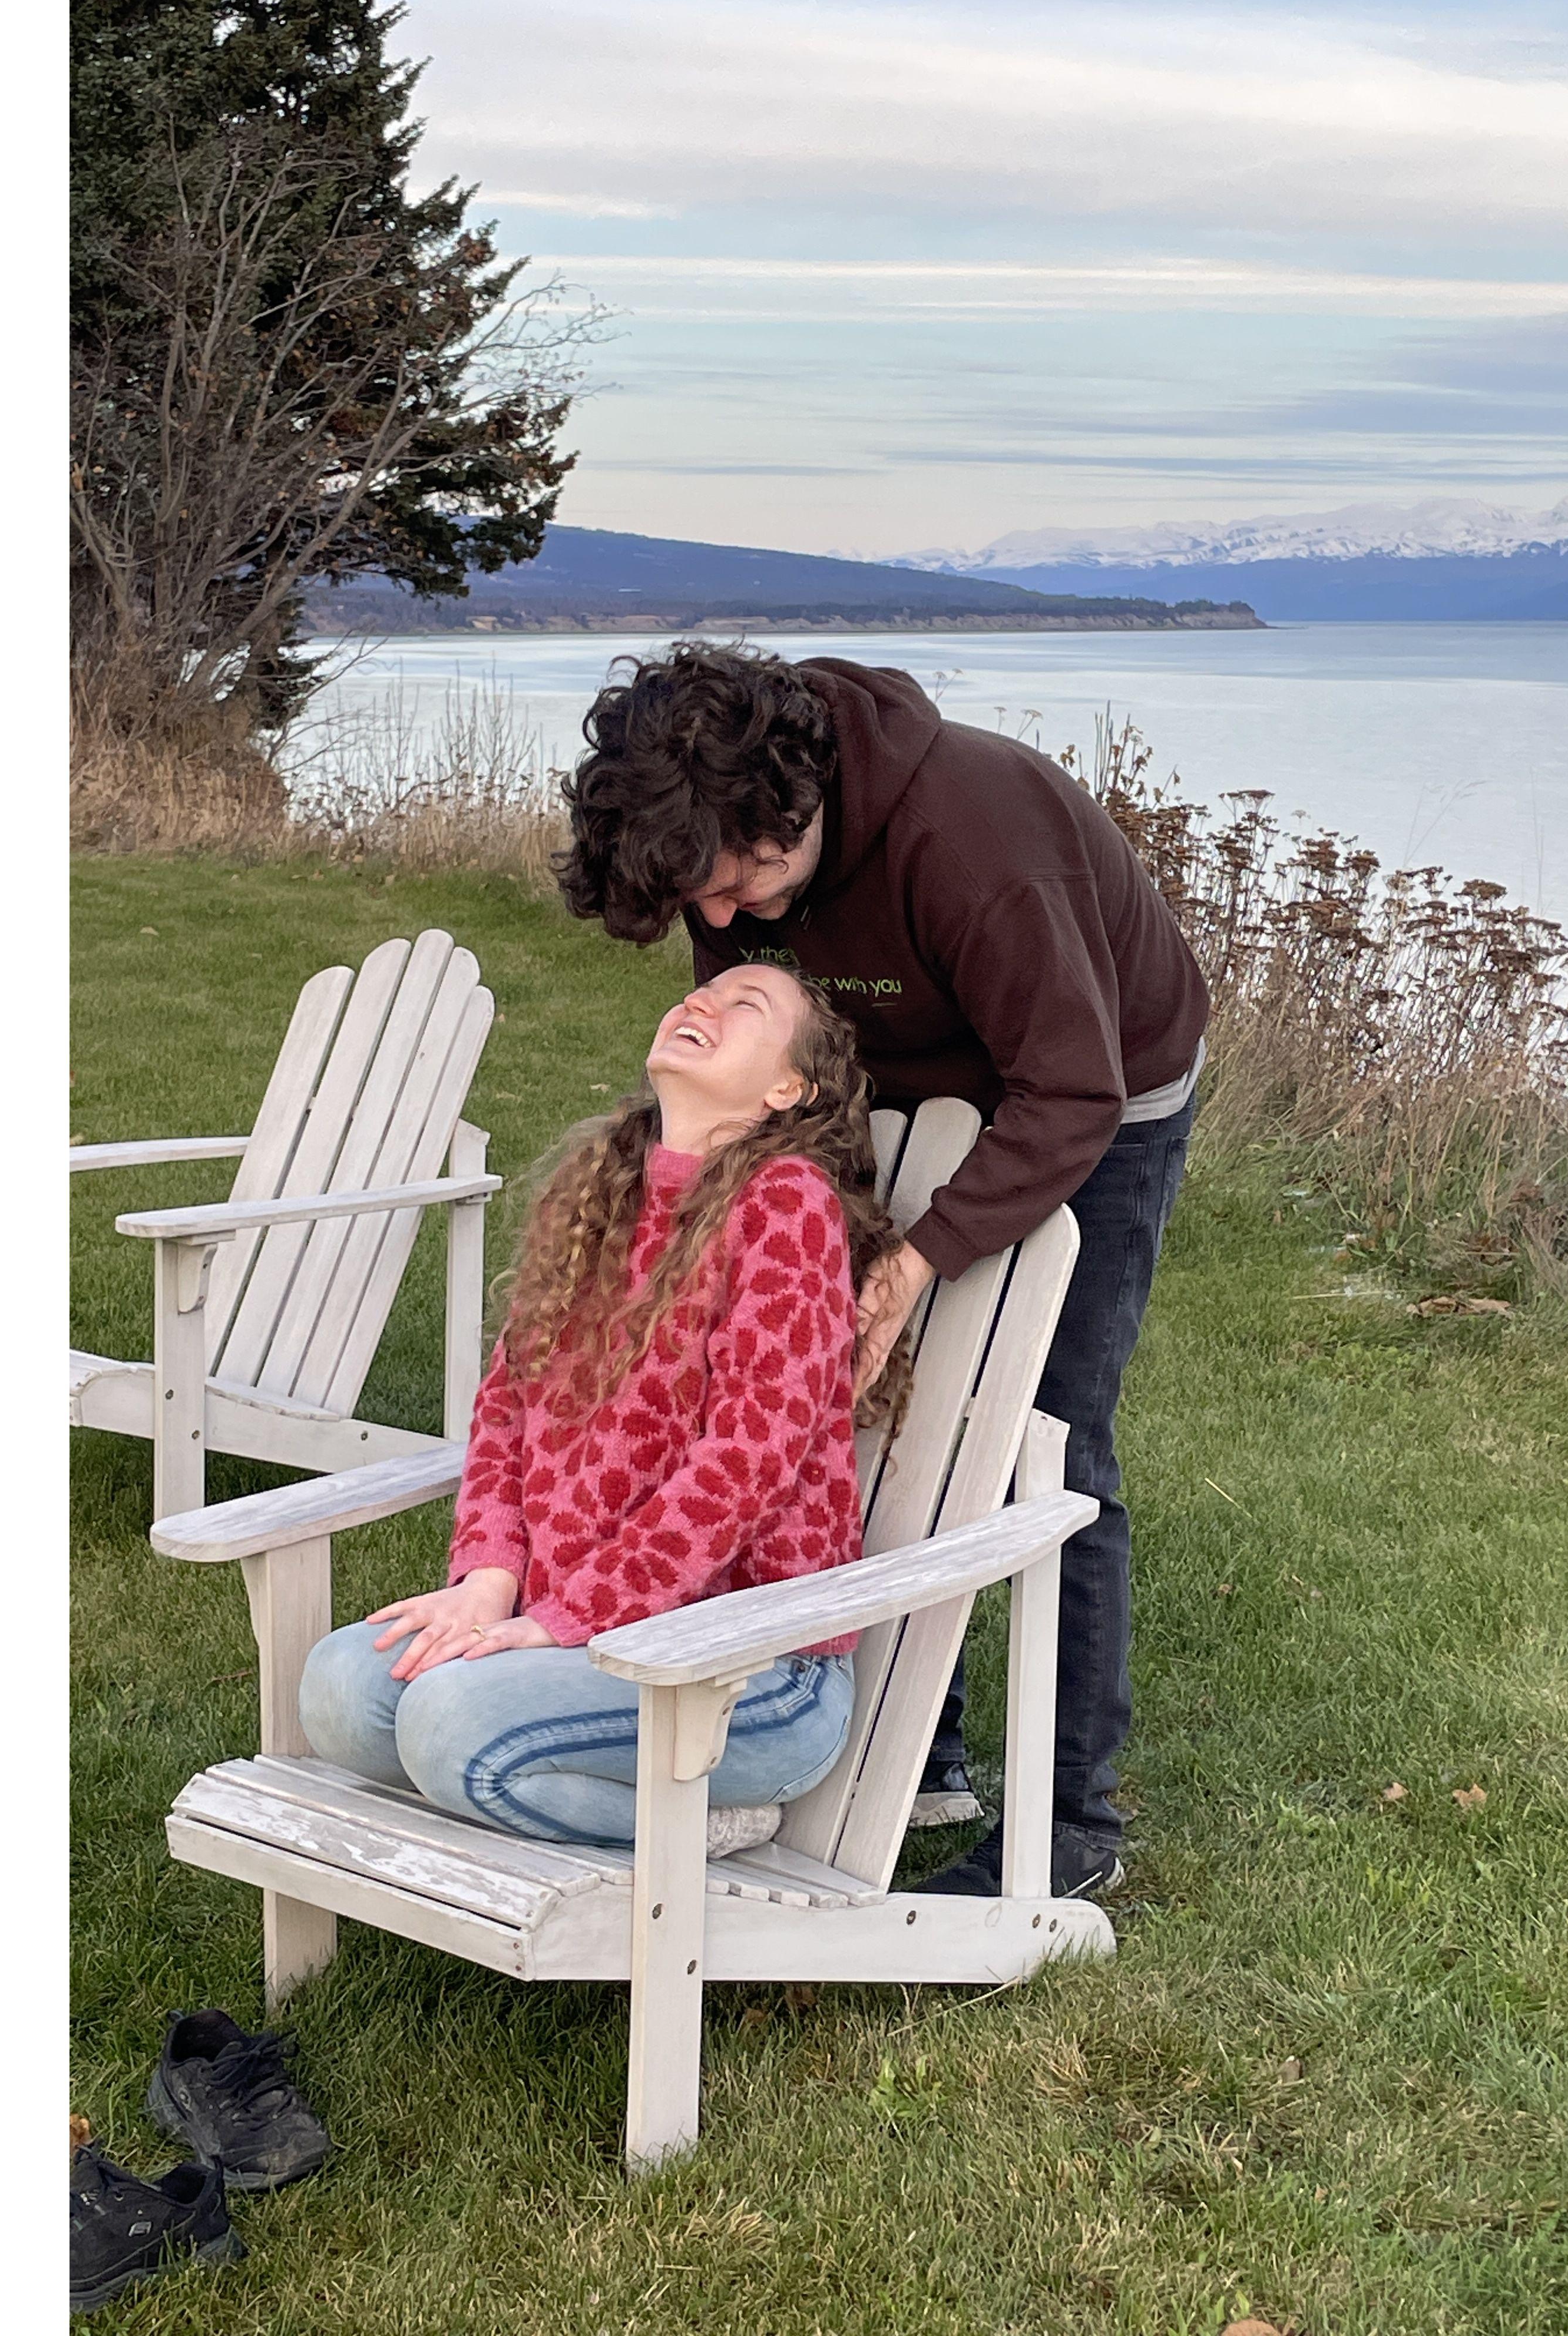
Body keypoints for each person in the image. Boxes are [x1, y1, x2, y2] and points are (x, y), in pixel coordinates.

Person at [558, 640, 1209, 1898]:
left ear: (791, 803)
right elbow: (772, 1069)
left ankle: (1073, 1821)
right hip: (896, 1091)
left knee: (1041, 1434)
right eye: (698, 903)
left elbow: (1069, 1087)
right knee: (862, 1405)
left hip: (1103, 1092)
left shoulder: (974, 834)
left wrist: (916, 1262)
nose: (721, 924)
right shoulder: (729, 869)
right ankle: (922, 1751)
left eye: (738, 883)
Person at [297, 964, 911, 1854]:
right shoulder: (604, 1192)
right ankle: (534, 1772)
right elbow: (504, 1412)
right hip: (579, 1635)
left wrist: (561, 1621)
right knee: (343, 1693)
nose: (701, 1003)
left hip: (748, 1667)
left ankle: (703, 1825)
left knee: (447, 1728)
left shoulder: (786, 1205)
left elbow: (747, 1462)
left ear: (789, 1088)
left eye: (747, 1007)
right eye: (703, 993)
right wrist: (490, 1580)